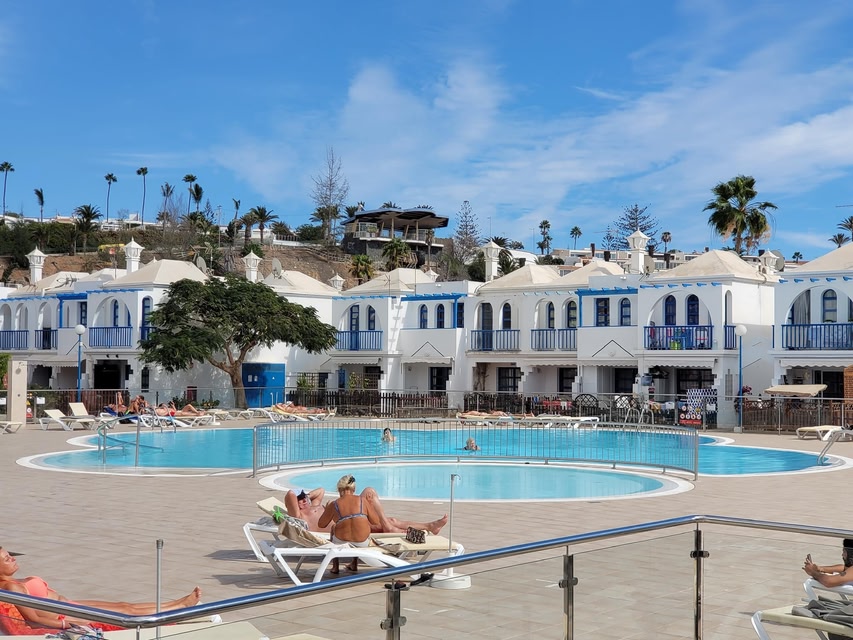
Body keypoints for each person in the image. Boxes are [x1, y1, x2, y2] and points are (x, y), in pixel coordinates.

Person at [0, 547, 201, 631]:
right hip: (66, 614)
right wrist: (67, 624)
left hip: (67, 606)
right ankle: (179, 608)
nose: (12, 558)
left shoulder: (11, 582)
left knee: (124, 605)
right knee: (126, 611)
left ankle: (177, 604)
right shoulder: (10, 587)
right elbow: (33, 620)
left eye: (9, 554)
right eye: (6, 559)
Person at [284, 486, 448, 536]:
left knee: (372, 495)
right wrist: (298, 497)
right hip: (348, 527)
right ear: (295, 505)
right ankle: (428, 527)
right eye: (301, 499)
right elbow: (290, 494)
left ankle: (429, 526)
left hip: (350, 517)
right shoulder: (299, 515)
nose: (304, 500)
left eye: (304, 497)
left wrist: (306, 495)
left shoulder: (313, 505)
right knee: (389, 522)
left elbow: (321, 490)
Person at [317, 475, 381, 573]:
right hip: (362, 542)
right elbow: (375, 522)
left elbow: (321, 524)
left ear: (339, 489)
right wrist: (370, 505)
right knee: (358, 525)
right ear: (354, 489)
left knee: (334, 527)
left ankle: (335, 566)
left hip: (341, 542)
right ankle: (354, 563)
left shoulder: (334, 504)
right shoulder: (362, 501)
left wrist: (328, 511)